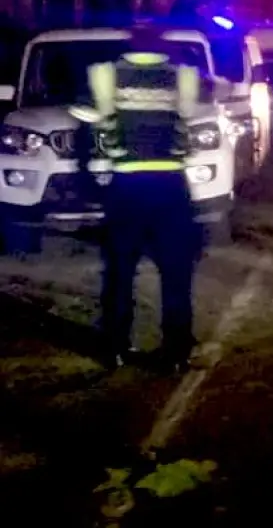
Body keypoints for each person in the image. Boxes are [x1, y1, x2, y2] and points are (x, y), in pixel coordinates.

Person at [68, 25, 202, 372]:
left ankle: (114, 348)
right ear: (162, 49)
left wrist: (88, 178)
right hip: (171, 185)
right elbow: (212, 97)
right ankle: (177, 352)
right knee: (175, 272)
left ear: (129, 48)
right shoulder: (181, 77)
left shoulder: (106, 75)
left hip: (126, 185)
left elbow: (83, 120)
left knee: (120, 269)